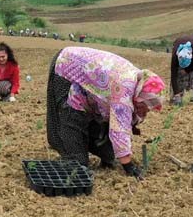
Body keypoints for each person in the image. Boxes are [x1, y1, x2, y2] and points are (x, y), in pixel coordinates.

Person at [46, 47, 164, 180]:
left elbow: (127, 117)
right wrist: (128, 166)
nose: (146, 111)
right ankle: (74, 157)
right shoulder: (124, 90)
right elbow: (119, 129)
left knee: (107, 145)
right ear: (140, 96)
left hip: (89, 86)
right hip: (67, 65)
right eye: (145, 106)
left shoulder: (138, 82)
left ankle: (103, 153)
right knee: (72, 122)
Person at [170, 35, 193, 105]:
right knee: (178, 75)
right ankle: (176, 97)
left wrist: (187, 70)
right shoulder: (175, 56)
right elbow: (173, 75)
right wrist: (176, 93)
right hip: (179, 45)